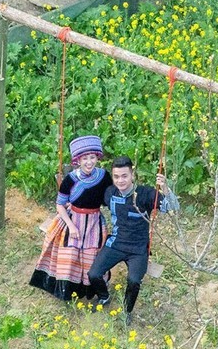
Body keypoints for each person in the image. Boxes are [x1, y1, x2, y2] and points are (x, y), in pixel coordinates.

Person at [88, 156, 179, 315]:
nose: (120, 181)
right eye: (116, 176)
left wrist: (165, 188)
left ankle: (126, 312)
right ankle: (104, 296)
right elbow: (89, 202)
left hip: (138, 249)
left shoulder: (146, 194)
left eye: (124, 176)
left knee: (134, 281)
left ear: (132, 175)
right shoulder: (110, 192)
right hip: (115, 243)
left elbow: (173, 208)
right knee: (93, 274)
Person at [30, 135, 112, 301]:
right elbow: (60, 204)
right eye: (85, 158)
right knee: (70, 256)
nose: (89, 162)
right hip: (73, 221)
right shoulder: (71, 179)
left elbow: (110, 199)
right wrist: (71, 226)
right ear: (78, 160)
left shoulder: (104, 176)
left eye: (92, 157)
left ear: (97, 157)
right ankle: (67, 291)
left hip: (94, 223)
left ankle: (91, 290)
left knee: (91, 256)